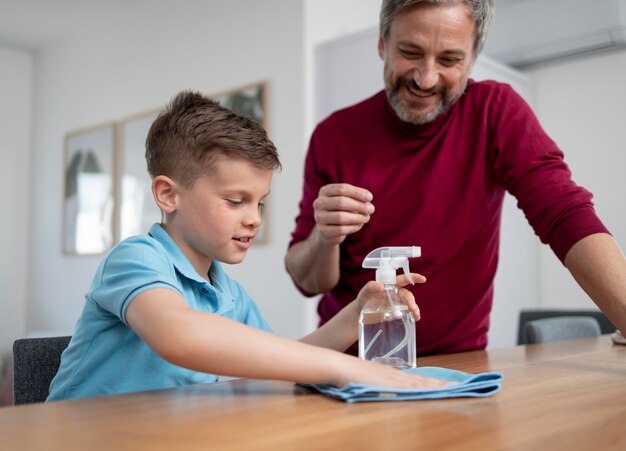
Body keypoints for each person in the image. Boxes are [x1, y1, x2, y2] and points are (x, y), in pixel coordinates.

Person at [47, 91, 448, 401]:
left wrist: (356, 313)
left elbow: (282, 360)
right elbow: (179, 335)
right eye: (235, 201)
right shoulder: (135, 259)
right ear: (168, 195)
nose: (255, 218)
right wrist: (341, 368)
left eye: (260, 203)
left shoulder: (228, 294)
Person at [285, 0, 626, 355]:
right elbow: (309, 282)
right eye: (410, 51)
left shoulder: (495, 111)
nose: (425, 78)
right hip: (346, 363)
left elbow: (563, 213)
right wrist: (325, 237)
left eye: (449, 59)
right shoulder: (334, 135)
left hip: (461, 365)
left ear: (472, 58)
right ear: (382, 44)